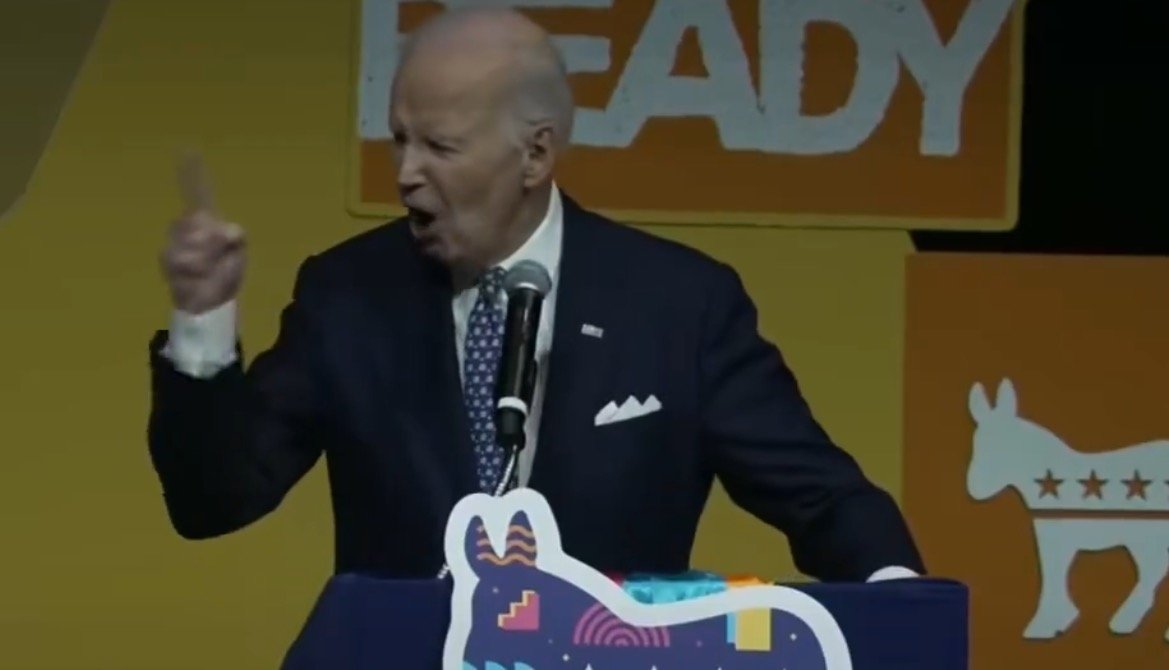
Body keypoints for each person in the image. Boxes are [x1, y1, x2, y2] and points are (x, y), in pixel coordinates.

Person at [150, 7, 924, 582]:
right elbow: (212, 503)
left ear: (535, 154)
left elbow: (821, 499)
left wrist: (900, 600)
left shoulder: (678, 305)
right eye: (399, 140)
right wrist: (201, 321)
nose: (407, 174)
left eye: (440, 146)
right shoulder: (347, 295)